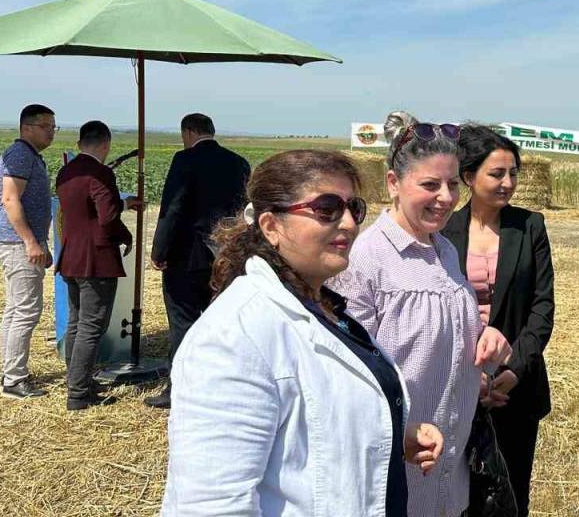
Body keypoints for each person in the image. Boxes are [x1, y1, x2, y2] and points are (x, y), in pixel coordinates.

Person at [162, 149, 443, 516]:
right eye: (326, 209)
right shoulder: (234, 337)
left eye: (353, 208)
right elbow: (211, 505)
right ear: (271, 226)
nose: (348, 223)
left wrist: (387, 435)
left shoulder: (323, 306)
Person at [329, 111, 512, 517]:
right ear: (393, 183)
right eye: (430, 185)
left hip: (453, 470)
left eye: (451, 184)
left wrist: (484, 340)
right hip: (397, 475)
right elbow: (348, 378)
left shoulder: (444, 250)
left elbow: (443, 338)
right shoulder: (364, 259)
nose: (446, 197)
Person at [441, 124, 555, 517]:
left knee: (510, 494)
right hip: (455, 383)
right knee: (459, 495)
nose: (508, 183)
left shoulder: (530, 226)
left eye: (513, 173)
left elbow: (542, 309)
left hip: (515, 387)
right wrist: (471, 377)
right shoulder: (443, 230)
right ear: (469, 177)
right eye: (497, 174)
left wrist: (513, 370)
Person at [146, 113, 251, 409]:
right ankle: (225, 385)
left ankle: (177, 389)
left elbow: (173, 209)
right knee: (224, 323)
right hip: (227, 257)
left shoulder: (184, 161)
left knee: (183, 322)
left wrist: (159, 253)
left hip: (187, 258)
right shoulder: (238, 162)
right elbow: (246, 211)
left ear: (188, 132)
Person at [54, 121, 142, 410]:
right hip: (96, 260)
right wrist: (125, 226)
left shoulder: (66, 171)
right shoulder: (100, 173)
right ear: (106, 145)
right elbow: (106, 216)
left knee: (78, 322)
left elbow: (83, 212)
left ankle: (76, 380)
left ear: (80, 144)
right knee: (93, 325)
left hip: (70, 257)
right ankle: (79, 392)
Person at [0, 104, 57, 399]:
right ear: (27, 127)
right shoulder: (20, 154)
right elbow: (10, 199)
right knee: (26, 311)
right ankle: (14, 380)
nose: (51, 132)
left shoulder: (29, 156)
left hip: (22, 243)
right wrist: (32, 242)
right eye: (46, 126)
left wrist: (40, 243)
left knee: (15, 309)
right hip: (19, 244)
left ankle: (10, 372)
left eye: (53, 127)